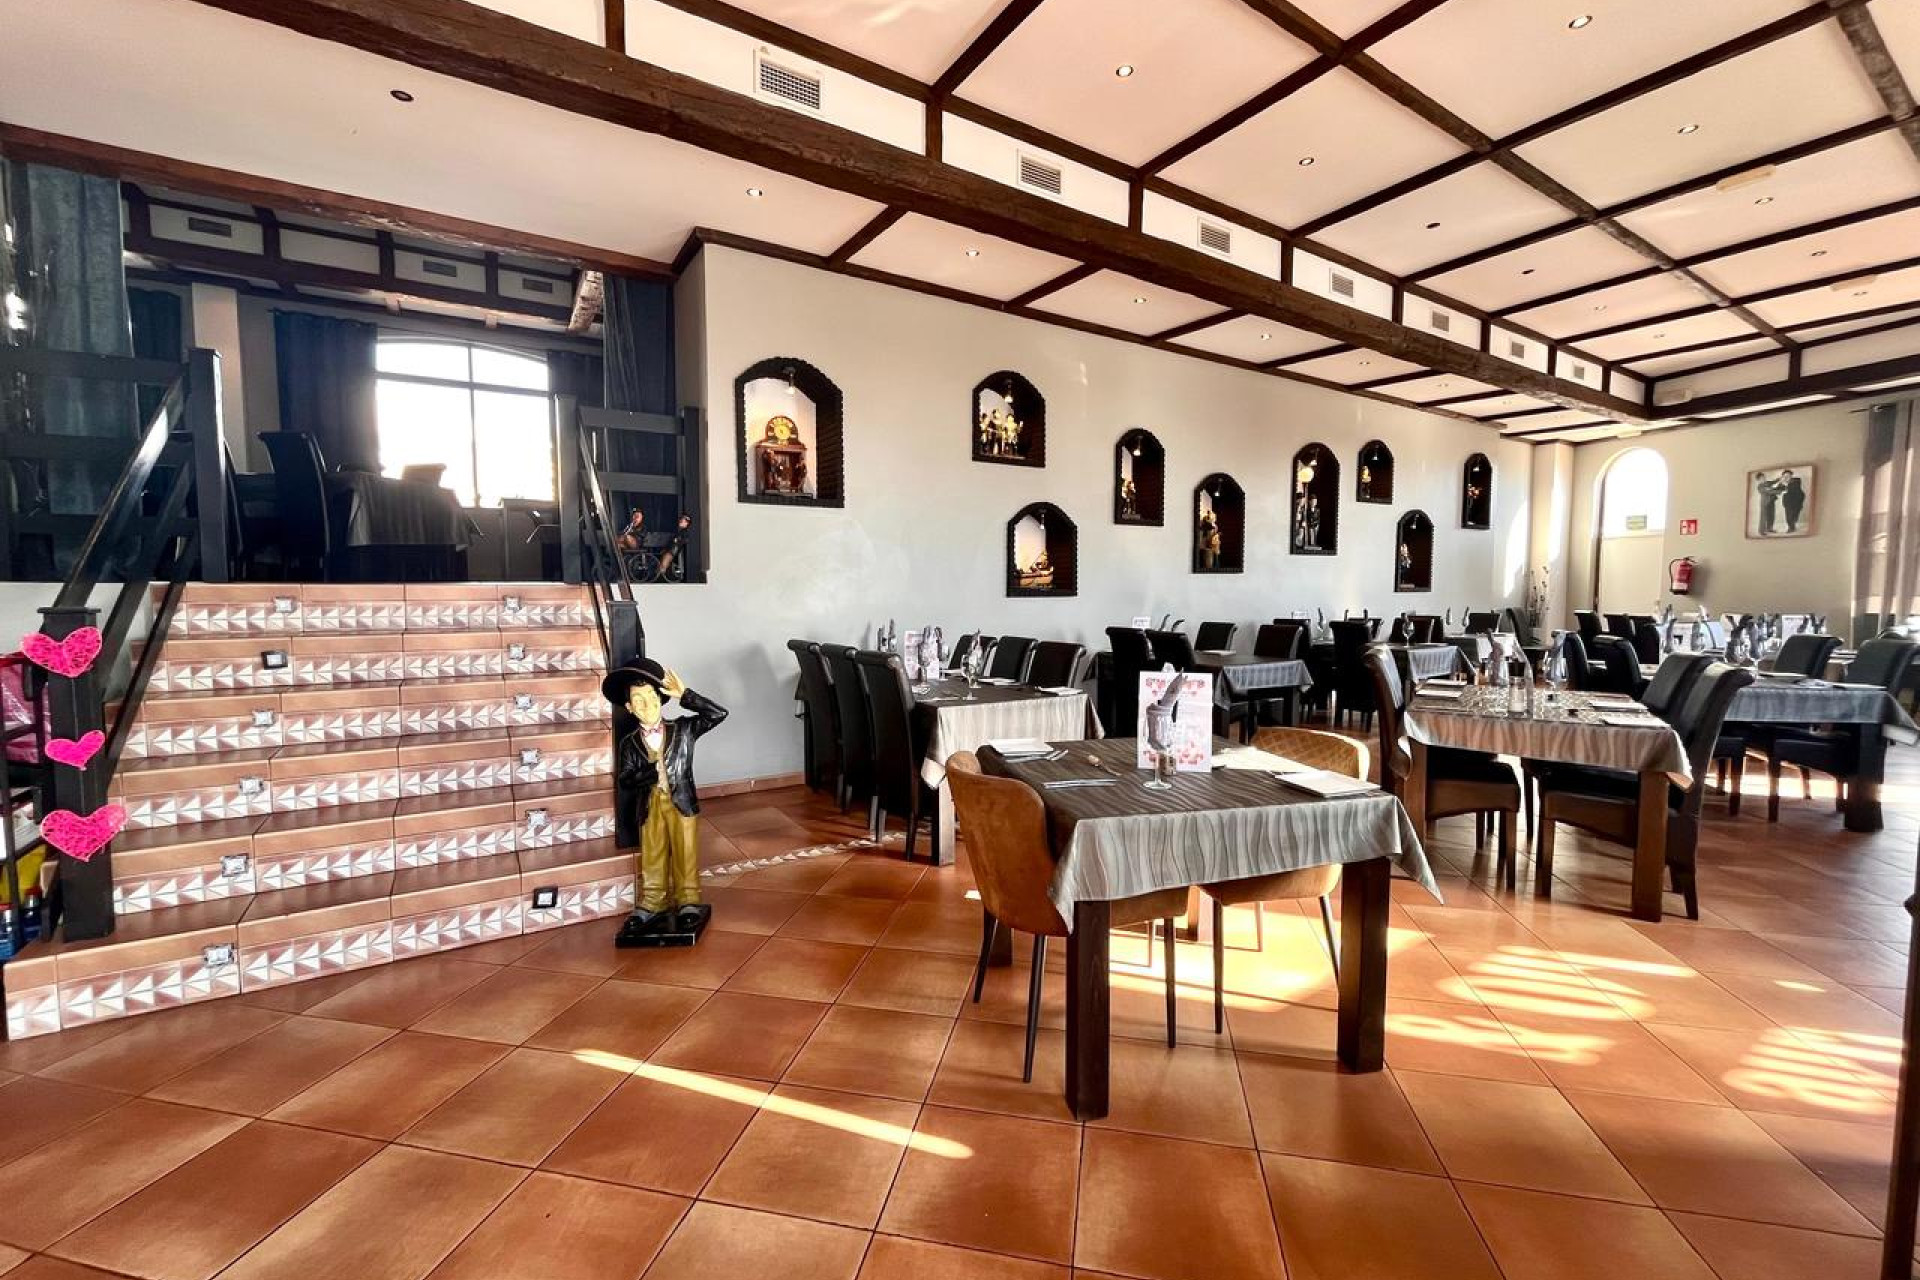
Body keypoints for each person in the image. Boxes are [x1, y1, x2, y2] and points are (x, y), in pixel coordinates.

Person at [603, 659, 728, 946]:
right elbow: (625, 780)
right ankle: (653, 901)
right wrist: (648, 773)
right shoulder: (630, 743)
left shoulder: (684, 729)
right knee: (653, 853)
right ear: (629, 708)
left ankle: (688, 900)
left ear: (660, 699)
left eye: (650, 696)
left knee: (685, 851)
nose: (647, 705)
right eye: (638, 700)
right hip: (650, 806)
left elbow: (718, 714)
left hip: (681, 802)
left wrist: (685, 695)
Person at [1779, 468, 1806, 533]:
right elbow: (1780, 491)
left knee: (1795, 516)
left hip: (1797, 502)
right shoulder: (1783, 484)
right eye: (1785, 476)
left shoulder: (1796, 481)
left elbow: (1794, 488)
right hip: (1788, 503)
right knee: (1788, 517)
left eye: (1788, 476)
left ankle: (1792, 525)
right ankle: (1791, 528)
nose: (1786, 477)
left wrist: (1786, 484)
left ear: (1791, 476)